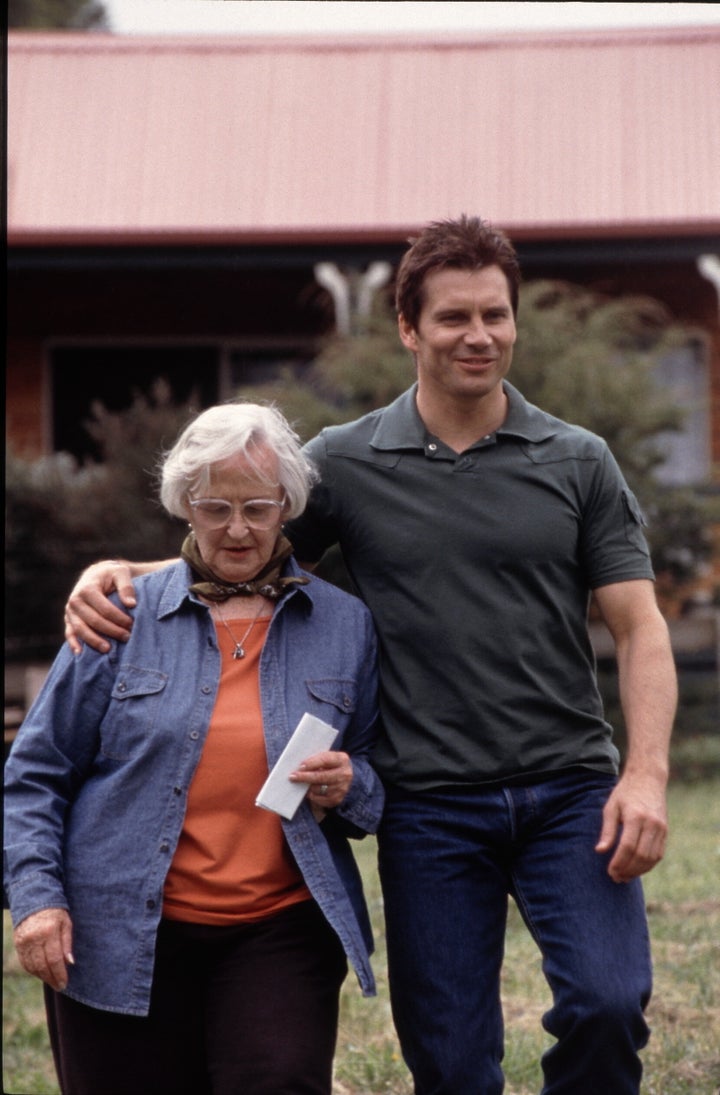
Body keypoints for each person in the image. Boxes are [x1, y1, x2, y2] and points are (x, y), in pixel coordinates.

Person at [62, 216, 677, 1095]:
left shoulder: (577, 460)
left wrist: (646, 774)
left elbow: (641, 625)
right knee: (452, 1060)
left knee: (609, 1007)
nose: (479, 336)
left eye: (495, 316)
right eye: (455, 317)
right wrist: (122, 571)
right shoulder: (347, 462)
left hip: (570, 790)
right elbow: (247, 543)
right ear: (407, 328)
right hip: (429, 806)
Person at [5, 402, 384, 1095]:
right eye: (215, 506)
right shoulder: (119, 614)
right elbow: (35, 773)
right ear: (185, 505)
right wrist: (36, 900)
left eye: (257, 507)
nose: (237, 528)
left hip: (278, 928)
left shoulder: (344, 625)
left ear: (287, 508)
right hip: (118, 927)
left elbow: (377, 781)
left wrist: (350, 783)